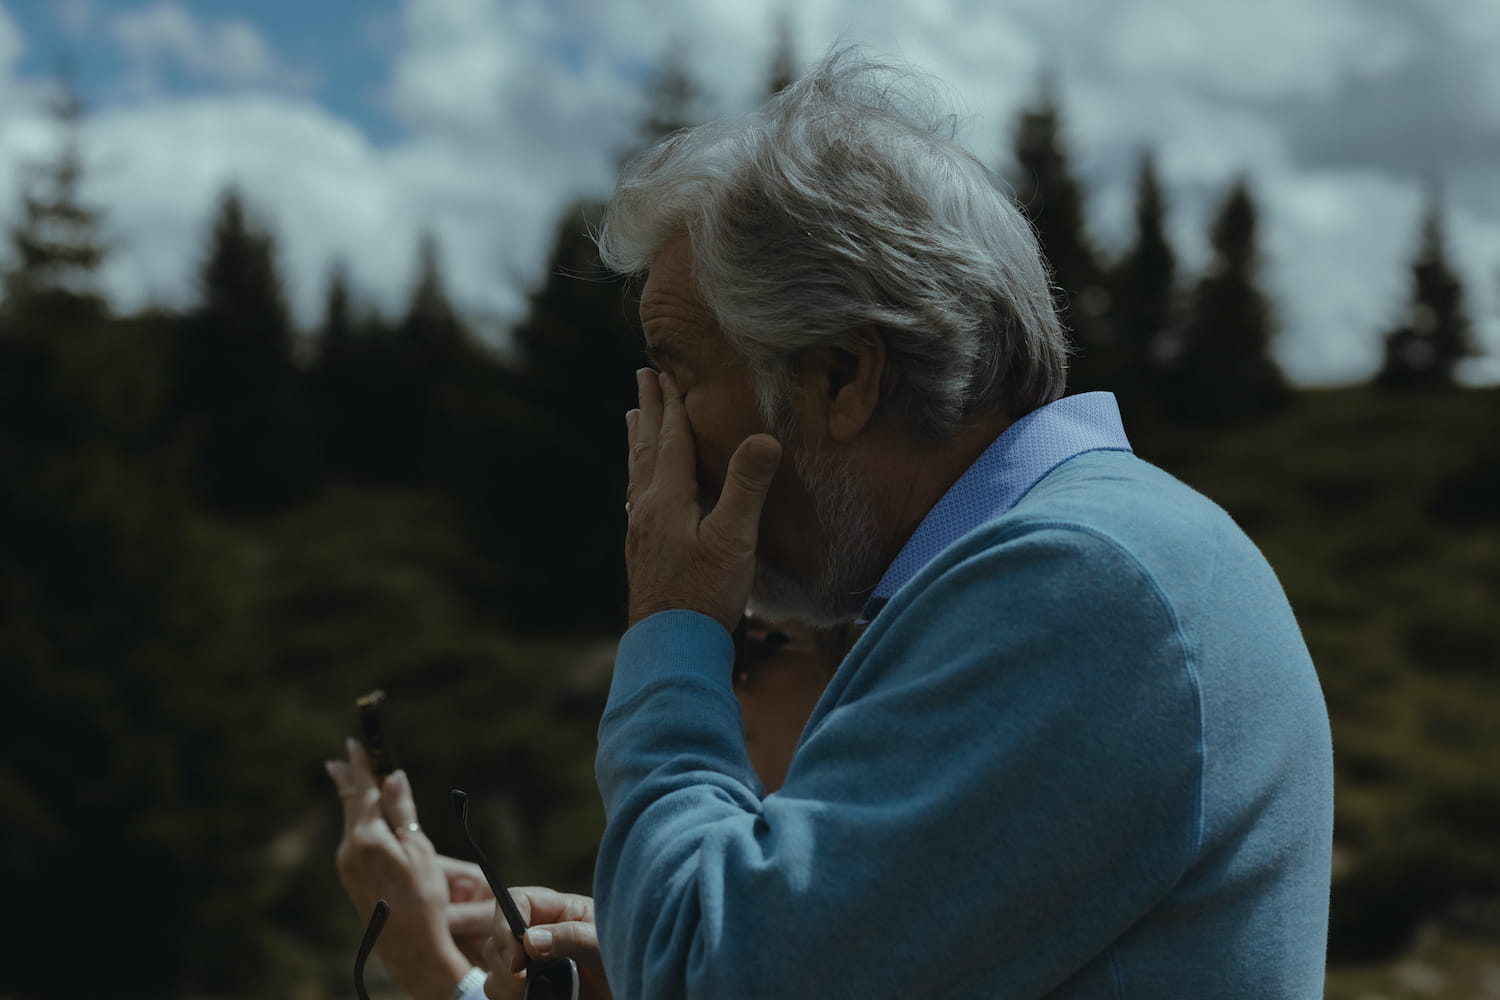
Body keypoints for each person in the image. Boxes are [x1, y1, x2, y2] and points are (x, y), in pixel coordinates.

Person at [338, 45, 1333, 999]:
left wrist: (672, 623)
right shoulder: (1096, 559)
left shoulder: (1077, 585)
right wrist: (647, 956)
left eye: (677, 370)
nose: (658, 429)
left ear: (840, 375)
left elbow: (712, 977)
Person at [326, 617, 850, 1000]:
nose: (724, 675)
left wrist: (435, 973)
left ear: (862, 663)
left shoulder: (847, 900)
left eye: (761, 644)